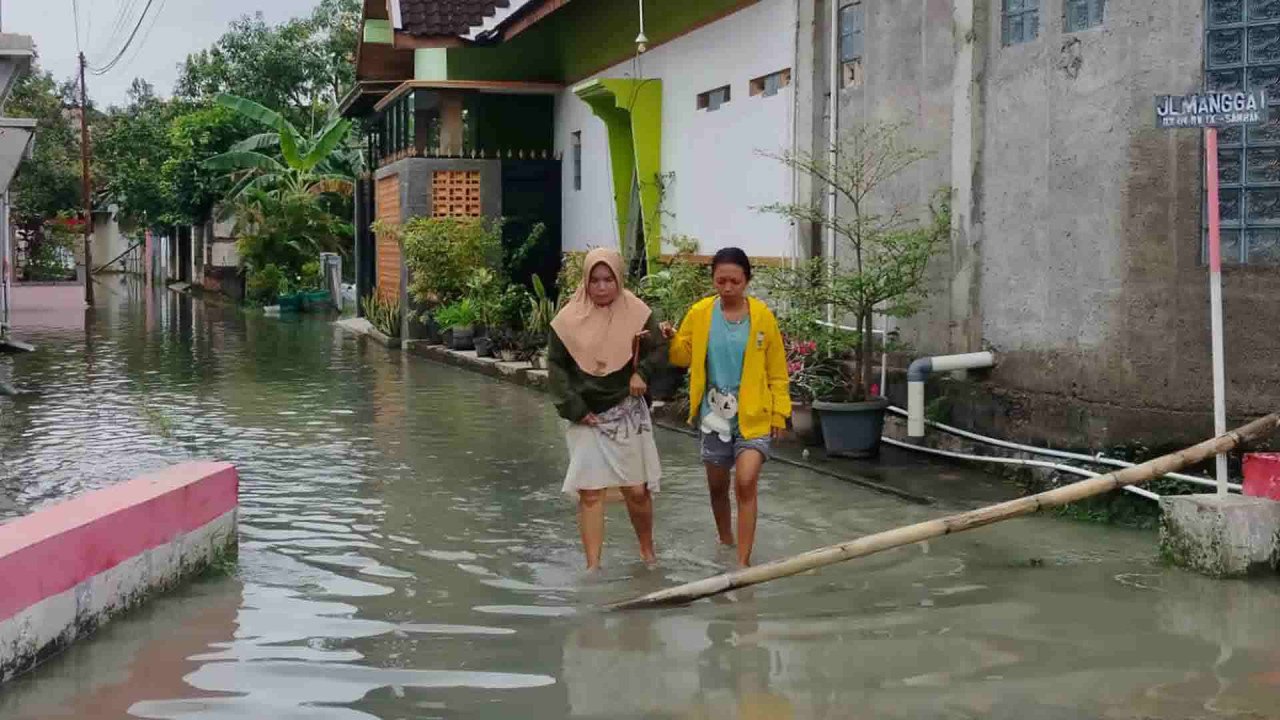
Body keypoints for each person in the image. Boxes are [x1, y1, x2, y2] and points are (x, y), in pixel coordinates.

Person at [662, 248, 790, 567]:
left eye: (735, 280)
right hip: (714, 417)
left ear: (747, 280)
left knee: (745, 481)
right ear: (713, 280)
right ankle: (725, 540)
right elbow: (681, 356)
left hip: (754, 415)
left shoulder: (762, 317)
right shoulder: (701, 313)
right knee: (717, 487)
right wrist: (670, 338)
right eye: (721, 280)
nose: (728, 287)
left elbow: (777, 370)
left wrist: (779, 413)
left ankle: (743, 563)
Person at [548, 248, 667, 571]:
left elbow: (658, 350)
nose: (601, 287)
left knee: (636, 490)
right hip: (587, 415)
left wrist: (641, 373)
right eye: (595, 281)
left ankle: (647, 552)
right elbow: (556, 367)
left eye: (608, 280)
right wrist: (574, 407)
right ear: (586, 282)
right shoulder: (566, 321)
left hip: (626, 412)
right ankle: (592, 567)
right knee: (590, 492)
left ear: (619, 280)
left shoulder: (638, 313)